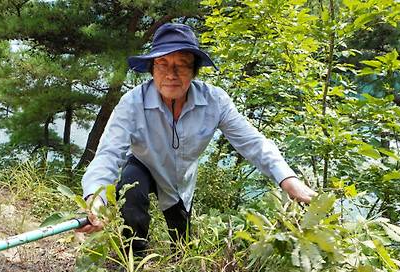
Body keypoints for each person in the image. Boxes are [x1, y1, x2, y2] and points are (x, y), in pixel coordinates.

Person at [78, 23, 315, 252]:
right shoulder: (132, 103)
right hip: (144, 162)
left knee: (183, 242)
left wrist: (287, 178)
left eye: (181, 65)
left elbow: (252, 142)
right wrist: (95, 199)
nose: (171, 74)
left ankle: (180, 257)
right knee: (131, 189)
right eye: (162, 64)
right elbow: (109, 153)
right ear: (151, 69)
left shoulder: (214, 101)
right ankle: (134, 256)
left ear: (194, 71)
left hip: (180, 177)